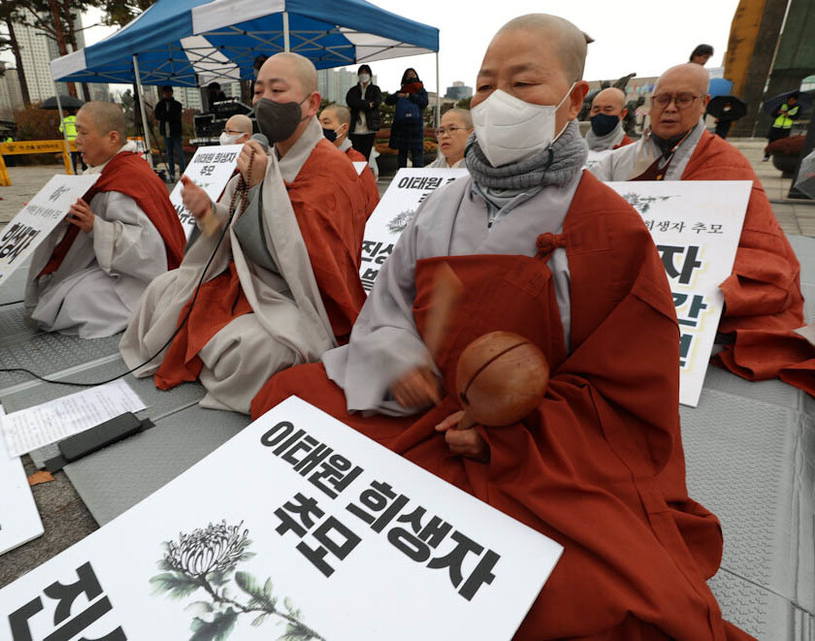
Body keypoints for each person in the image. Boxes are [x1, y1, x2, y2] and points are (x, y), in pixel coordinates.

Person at [253, 15, 750, 640]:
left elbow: (625, 392)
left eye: (524, 83)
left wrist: (514, 433)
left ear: (574, 98)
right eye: (486, 86)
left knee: (600, 596)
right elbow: (388, 306)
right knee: (283, 395)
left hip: (533, 443)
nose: (499, 102)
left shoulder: (607, 227)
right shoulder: (441, 202)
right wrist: (396, 359)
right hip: (423, 401)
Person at [120, 53, 367, 413]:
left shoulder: (330, 170)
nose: (264, 100)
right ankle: (206, 353)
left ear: (311, 103)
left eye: (277, 90)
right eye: (259, 90)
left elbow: (305, 262)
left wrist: (260, 188)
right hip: (246, 281)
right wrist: (206, 211)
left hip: (298, 297)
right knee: (162, 289)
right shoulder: (266, 156)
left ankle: (211, 358)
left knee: (263, 350)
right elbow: (229, 235)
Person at [590, 64, 809, 393]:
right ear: (650, 104)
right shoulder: (628, 155)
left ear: (704, 102)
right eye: (663, 99)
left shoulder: (725, 161)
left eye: (684, 99)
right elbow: (591, 181)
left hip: (692, 263)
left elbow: (759, 243)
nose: (671, 108)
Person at [26, 101, 187, 339]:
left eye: (83, 132)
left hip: (140, 277)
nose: (77, 140)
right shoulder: (107, 169)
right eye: (76, 132)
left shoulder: (126, 177)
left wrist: (96, 227)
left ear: (112, 138)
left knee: (73, 301)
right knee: (58, 294)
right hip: (108, 262)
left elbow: (148, 249)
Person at [320, 103, 380, 222]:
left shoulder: (356, 160)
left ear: (344, 128)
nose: (321, 128)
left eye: (326, 123)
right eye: (319, 123)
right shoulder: (312, 157)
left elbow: (371, 202)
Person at [385, 68, 428, 168]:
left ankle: (418, 175)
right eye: (408, 75)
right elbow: (388, 101)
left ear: (417, 76)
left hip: (415, 126)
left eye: (413, 74)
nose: (411, 76)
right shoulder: (401, 91)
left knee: (417, 153)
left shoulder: (421, 89)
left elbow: (424, 102)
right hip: (401, 126)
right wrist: (397, 96)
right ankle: (402, 175)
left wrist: (410, 95)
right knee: (402, 154)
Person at [346, 64, 383, 163]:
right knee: (355, 154)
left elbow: (377, 101)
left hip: (369, 126)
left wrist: (360, 104)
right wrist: (367, 104)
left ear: (370, 74)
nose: (364, 75)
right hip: (355, 127)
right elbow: (350, 101)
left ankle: (364, 175)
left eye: (366, 72)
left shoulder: (375, 89)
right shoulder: (353, 90)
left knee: (366, 154)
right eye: (362, 73)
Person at [585, 87, 634, 151]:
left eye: (608, 110)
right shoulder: (577, 148)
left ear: (622, 114)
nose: (601, 114)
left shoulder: (631, 151)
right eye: (596, 110)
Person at [154, 86, 186, 182]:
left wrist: (166, 116)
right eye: (165, 93)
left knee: (179, 152)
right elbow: (157, 116)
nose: (167, 94)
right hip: (165, 132)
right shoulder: (160, 104)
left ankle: (182, 171)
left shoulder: (177, 104)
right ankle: (171, 173)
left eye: (169, 92)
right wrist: (166, 116)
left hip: (175, 132)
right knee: (169, 154)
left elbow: (175, 116)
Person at [764, 92, 800, 160]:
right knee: (771, 141)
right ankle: (767, 155)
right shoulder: (782, 105)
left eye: (792, 100)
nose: (790, 102)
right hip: (776, 126)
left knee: (783, 143)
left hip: (786, 128)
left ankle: (779, 156)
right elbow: (773, 115)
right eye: (789, 100)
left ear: (795, 101)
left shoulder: (797, 108)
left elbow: (796, 117)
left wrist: (789, 115)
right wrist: (778, 113)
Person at [59, 109, 85, 174]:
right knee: (82, 155)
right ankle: (84, 169)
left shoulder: (64, 120)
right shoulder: (78, 119)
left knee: (72, 157)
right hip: (79, 139)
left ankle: (74, 171)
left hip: (69, 141)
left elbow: (61, 130)